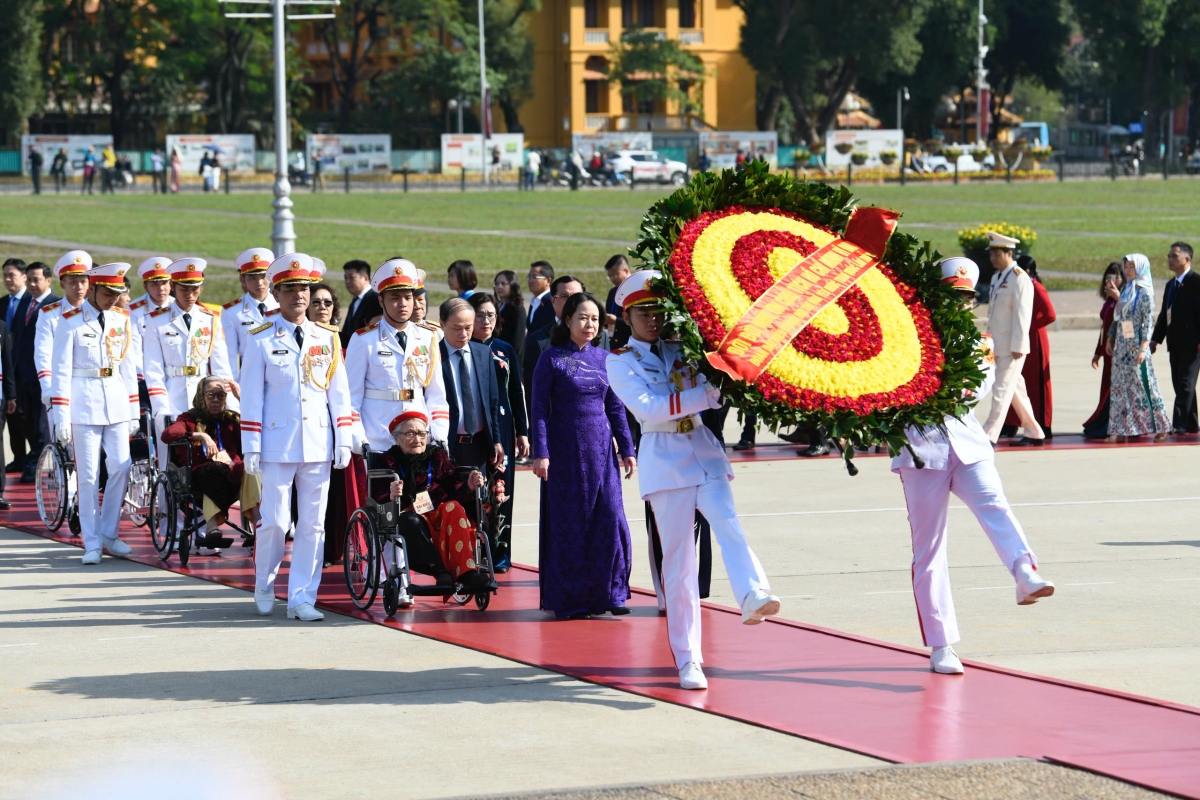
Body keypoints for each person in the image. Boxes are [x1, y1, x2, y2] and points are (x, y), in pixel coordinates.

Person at [606, 272, 779, 690]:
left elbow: (717, 389)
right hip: (664, 460)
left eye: (659, 311)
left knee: (728, 524)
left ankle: (754, 593)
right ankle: (688, 659)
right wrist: (706, 392)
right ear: (627, 316)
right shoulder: (620, 360)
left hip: (703, 449)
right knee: (680, 567)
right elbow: (650, 409)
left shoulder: (685, 347)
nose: (653, 319)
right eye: (644, 312)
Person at [892, 257, 1056, 676]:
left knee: (995, 504)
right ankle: (941, 644)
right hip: (921, 449)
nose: (960, 305)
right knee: (929, 550)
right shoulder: (906, 336)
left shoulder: (977, 341)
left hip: (966, 442)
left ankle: (1025, 572)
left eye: (966, 298)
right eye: (953, 296)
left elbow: (971, 389)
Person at [241, 253, 352, 621]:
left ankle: (302, 596)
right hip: (276, 443)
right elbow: (252, 396)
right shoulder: (260, 338)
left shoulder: (327, 337)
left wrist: (345, 438)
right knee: (274, 521)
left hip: (318, 442)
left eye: (303, 288)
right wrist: (251, 445)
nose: (298, 296)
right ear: (276, 293)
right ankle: (264, 580)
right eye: (289, 290)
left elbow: (339, 393)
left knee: (313, 524)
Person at [531, 291, 635, 619]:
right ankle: (570, 598)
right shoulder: (551, 359)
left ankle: (611, 593)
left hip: (602, 454)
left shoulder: (607, 359)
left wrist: (628, 448)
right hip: (563, 456)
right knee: (569, 524)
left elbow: (616, 407)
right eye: (582, 318)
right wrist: (541, 452)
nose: (589, 324)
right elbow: (539, 410)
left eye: (594, 319)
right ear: (567, 320)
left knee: (609, 517)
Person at [47, 262, 139, 564]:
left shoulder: (122, 319)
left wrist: (134, 409)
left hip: (115, 401)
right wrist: (61, 414)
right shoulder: (70, 321)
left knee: (121, 467)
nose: (113, 299)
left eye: (117, 293)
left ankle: (110, 532)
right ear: (95, 288)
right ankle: (92, 541)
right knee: (87, 476)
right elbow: (60, 371)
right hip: (83, 403)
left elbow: (127, 368)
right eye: (108, 293)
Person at [374, 411, 492, 587]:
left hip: (438, 508)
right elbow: (377, 498)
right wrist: (391, 496)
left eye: (422, 434)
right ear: (397, 438)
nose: (417, 439)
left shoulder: (437, 456)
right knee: (408, 520)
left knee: (455, 507)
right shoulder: (387, 461)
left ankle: (467, 572)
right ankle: (439, 570)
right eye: (410, 434)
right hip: (410, 510)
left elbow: (454, 486)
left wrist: (469, 487)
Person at [347, 258, 451, 452]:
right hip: (379, 437)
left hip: (420, 437)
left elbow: (436, 394)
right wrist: (358, 440)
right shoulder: (364, 340)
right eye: (395, 297)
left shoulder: (427, 337)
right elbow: (352, 398)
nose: (402, 304)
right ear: (381, 300)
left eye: (408, 297)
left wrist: (439, 435)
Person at [142, 259, 237, 467]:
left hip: (204, 397)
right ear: (174, 287)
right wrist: (161, 408)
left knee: (206, 457)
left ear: (201, 288)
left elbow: (221, 367)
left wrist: (228, 404)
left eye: (195, 289)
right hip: (172, 393)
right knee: (170, 462)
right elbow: (153, 368)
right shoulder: (156, 321)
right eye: (184, 289)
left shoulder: (210, 319)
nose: (190, 294)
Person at [161, 375, 261, 553]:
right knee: (212, 470)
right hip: (200, 473)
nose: (216, 400)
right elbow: (168, 435)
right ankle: (212, 527)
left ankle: (259, 524)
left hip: (232, 473)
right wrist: (200, 436)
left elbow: (256, 425)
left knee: (251, 468)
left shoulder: (231, 419)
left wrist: (242, 399)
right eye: (210, 395)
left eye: (221, 395)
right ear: (201, 395)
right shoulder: (189, 418)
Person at [469, 292, 528, 572]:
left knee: (501, 491)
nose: (486, 320)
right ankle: (473, 551)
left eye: (491, 315)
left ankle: (501, 553)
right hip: (475, 428)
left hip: (504, 428)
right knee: (477, 490)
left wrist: (522, 431)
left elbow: (516, 391)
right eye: (480, 315)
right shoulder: (463, 348)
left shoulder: (504, 349)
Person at [982, 231, 1046, 446]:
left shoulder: (1019, 277)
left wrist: (1019, 344)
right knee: (1015, 390)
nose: (993, 258)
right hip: (997, 343)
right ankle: (1034, 432)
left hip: (1012, 346)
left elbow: (1023, 314)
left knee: (1001, 390)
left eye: (997, 254)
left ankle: (988, 435)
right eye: (991, 254)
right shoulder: (997, 277)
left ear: (1009, 253)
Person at [1106, 254, 1172, 443]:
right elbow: (1118, 316)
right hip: (1121, 347)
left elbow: (1148, 322)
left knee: (1146, 387)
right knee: (1119, 388)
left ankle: (1162, 426)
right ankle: (1117, 430)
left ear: (1141, 268)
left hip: (1137, 348)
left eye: (1131, 267)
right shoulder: (1127, 288)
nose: (1127, 270)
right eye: (1126, 266)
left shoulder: (1145, 293)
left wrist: (1144, 348)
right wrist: (1111, 337)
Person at [437, 299, 504, 473]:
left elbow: (493, 402)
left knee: (479, 499)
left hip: (480, 446)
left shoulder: (483, 353)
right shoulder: (433, 356)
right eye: (457, 328)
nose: (464, 334)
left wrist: (496, 441)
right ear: (442, 324)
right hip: (446, 447)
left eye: (468, 327)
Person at [1001, 255, 1056, 437]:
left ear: (1028, 271)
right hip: (1020, 338)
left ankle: (1042, 424)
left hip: (1035, 340)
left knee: (1036, 384)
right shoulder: (1018, 286)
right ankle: (1011, 422)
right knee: (1015, 380)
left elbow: (1050, 315)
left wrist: (1026, 327)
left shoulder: (1036, 287)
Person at [1150, 242, 1200, 434]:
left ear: (1187, 259)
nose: (1169, 259)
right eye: (1169, 256)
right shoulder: (1171, 285)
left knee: (1186, 385)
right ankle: (1192, 424)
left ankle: (1178, 425)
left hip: (1193, 345)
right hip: (1175, 343)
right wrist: (1155, 339)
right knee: (1180, 384)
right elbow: (1165, 314)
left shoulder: (1197, 282)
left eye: (1174, 256)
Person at [222, 248, 280, 380]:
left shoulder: (282, 305)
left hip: (279, 376)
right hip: (249, 376)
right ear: (243, 279)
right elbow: (230, 355)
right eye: (252, 278)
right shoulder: (232, 311)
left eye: (263, 276)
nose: (259, 283)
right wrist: (232, 387)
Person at [1083, 263, 1124, 439]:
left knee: (1114, 389)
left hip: (1120, 351)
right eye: (1107, 277)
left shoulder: (1124, 299)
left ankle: (1112, 425)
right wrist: (1098, 352)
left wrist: (1119, 299)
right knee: (1107, 388)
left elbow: (1129, 319)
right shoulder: (1108, 301)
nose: (1110, 281)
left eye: (1115, 277)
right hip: (1108, 351)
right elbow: (1104, 328)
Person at [1, 259, 28, 473]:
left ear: (24, 277)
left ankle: (33, 459)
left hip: (27, 370)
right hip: (6, 372)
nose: (8, 279)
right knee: (11, 419)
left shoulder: (32, 301)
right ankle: (18, 457)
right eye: (5, 276)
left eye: (12, 275)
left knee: (29, 418)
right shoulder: (1, 304)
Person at [340, 259, 381, 348]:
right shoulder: (355, 300)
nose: (347, 281)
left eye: (352, 277)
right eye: (345, 278)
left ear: (365, 278)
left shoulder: (376, 299)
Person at [492, 270, 526, 360]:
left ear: (513, 285)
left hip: (508, 359)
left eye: (503, 283)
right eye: (497, 283)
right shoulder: (496, 306)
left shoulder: (517, 309)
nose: (499, 286)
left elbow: (517, 342)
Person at [603, 255, 633, 349]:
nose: (612, 279)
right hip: (614, 344)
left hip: (631, 343)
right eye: (610, 276)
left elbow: (638, 322)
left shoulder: (635, 291)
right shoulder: (612, 292)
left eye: (615, 275)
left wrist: (616, 321)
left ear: (626, 271)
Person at [526, 261, 555, 332]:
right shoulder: (534, 301)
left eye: (534, 277)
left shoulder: (552, 301)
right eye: (529, 277)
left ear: (548, 280)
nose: (530, 280)